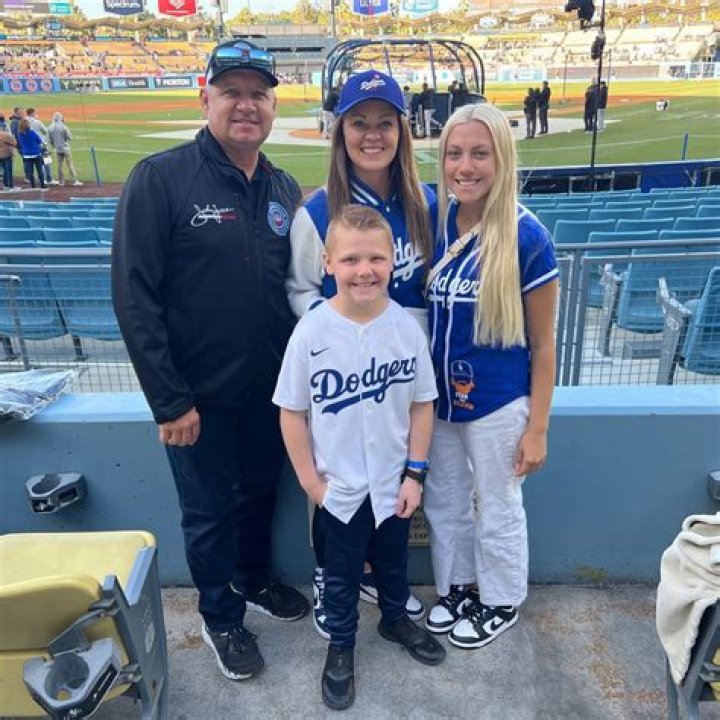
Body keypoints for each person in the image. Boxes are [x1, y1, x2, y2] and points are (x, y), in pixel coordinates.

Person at [111, 39, 308, 683]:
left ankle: (253, 579)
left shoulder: (282, 186)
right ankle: (221, 615)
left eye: (258, 94)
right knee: (208, 513)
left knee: (260, 495)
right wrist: (169, 401)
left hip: (269, 394)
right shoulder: (161, 178)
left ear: (273, 106)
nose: (246, 105)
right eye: (232, 93)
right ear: (206, 100)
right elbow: (134, 296)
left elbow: (296, 289)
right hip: (195, 399)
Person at [274, 205, 445, 711]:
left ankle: (394, 620)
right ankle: (342, 645)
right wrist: (312, 484)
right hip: (340, 487)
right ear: (327, 262)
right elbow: (291, 413)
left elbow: (422, 404)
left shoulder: (406, 328)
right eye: (350, 259)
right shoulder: (311, 331)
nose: (364, 270)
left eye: (376, 258)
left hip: (394, 481)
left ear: (394, 261)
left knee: (393, 563)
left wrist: (416, 473)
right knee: (342, 576)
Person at [286, 68, 435, 639]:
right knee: (336, 483)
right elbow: (299, 288)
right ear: (340, 131)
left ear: (402, 130)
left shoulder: (425, 203)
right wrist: (341, 333)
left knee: (397, 486)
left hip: (405, 369)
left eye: (384, 123)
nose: (372, 134)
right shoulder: (318, 212)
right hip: (344, 373)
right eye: (359, 123)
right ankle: (332, 577)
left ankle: (384, 584)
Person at [423, 103, 559, 649]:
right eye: (455, 153)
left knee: (498, 505)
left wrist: (538, 428)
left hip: (499, 402)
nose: (466, 166)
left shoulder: (528, 237)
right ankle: (457, 586)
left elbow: (544, 345)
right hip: (439, 401)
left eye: (480, 154)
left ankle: (501, 599)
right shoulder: (435, 221)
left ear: (502, 159)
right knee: (445, 499)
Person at [48, 112, 82, 186]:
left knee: (59, 165)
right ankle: (75, 180)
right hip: (65, 148)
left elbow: (50, 140)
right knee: (70, 164)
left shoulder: (50, 127)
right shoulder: (63, 127)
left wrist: (54, 145)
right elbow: (69, 137)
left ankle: (61, 181)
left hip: (57, 148)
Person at [26, 108, 57, 185]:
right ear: (32, 113)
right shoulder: (37, 122)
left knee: (37, 163)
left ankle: (42, 179)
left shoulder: (24, 122)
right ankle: (48, 179)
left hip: (31, 145)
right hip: (41, 144)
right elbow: (45, 131)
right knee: (46, 161)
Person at [15, 117, 46, 189]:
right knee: (39, 170)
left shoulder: (19, 134)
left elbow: (20, 144)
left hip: (26, 155)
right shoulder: (32, 132)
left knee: (30, 172)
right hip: (36, 154)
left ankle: (33, 186)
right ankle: (42, 185)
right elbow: (39, 140)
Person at [0, 115, 16, 191]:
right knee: (8, 171)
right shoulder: (5, 134)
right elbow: (14, 143)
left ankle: (5, 185)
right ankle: (10, 186)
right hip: (6, 155)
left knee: (3, 171)